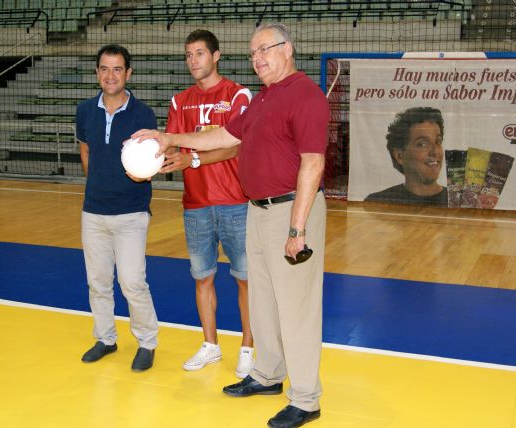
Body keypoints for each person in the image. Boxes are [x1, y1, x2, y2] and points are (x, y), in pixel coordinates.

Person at [134, 23, 328, 428]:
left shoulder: (305, 95)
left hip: (291, 210)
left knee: (297, 308)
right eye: (252, 53)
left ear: (287, 49)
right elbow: (220, 134)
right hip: (257, 211)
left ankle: (306, 399)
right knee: (263, 303)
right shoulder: (263, 99)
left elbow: (313, 162)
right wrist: (168, 138)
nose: (256, 59)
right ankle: (267, 375)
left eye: (264, 50)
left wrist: (297, 228)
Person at [160, 30, 254, 378]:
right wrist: (147, 156)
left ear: (216, 56)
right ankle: (211, 345)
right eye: (188, 55)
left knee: (245, 280)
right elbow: (173, 148)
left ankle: (248, 348)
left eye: (199, 53)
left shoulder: (237, 94)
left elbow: (236, 145)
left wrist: (192, 159)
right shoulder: (178, 101)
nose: (193, 61)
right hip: (195, 204)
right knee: (202, 277)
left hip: (236, 203)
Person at [76, 44, 159, 372]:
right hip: (93, 211)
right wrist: (98, 184)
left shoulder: (143, 114)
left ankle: (147, 341)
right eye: (105, 69)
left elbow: (150, 159)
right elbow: (86, 152)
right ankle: (105, 338)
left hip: (131, 212)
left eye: (118, 69)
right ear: (97, 72)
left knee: (132, 281)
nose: (111, 75)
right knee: (97, 281)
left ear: (129, 73)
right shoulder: (84, 110)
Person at [365, 107, 448, 206]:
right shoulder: (378, 202)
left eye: (438, 142)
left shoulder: (459, 200)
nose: (435, 152)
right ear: (399, 156)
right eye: (422, 144)